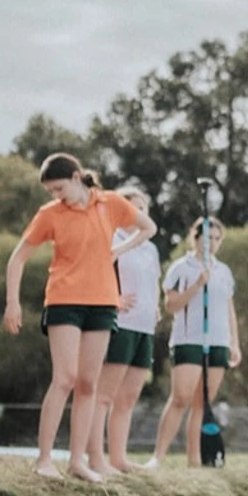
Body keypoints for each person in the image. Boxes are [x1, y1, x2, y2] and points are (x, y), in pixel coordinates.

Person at [3, 154, 156, 482]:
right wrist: (12, 303)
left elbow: (148, 228)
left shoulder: (111, 203)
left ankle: (77, 462)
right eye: (50, 191)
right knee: (65, 378)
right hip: (64, 301)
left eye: (59, 188)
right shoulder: (50, 214)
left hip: (102, 304)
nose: (55, 195)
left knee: (88, 383)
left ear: (76, 177)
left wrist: (119, 250)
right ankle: (44, 459)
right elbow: (18, 259)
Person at [147, 218, 240, 468]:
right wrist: (197, 284)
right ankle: (158, 457)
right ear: (195, 237)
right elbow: (171, 306)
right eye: (207, 237)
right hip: (189, 340)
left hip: (218, 341)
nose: (211, 242)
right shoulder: (181, 267)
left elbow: (229, 309)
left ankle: (195, 460)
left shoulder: (224, 271)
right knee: (180, 399)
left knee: (203, 403)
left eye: (216, 238)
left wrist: (235, 342)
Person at [88, 186, 159, 475]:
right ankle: (96, 457)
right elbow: (92, 274)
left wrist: (155, 307)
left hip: (145, 328)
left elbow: (152, 282)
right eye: (133, 208)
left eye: (143, 208)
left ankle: (119, 458)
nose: (139, 213)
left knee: (128, 397)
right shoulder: (111, 238)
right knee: (103, 395)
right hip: (120, 325)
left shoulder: (150, 247)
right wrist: (113, 300)